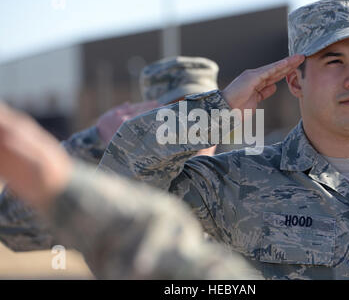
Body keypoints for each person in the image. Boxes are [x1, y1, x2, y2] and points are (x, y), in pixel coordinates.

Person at [98, 0, 349, 280]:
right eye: (335, 61)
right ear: (295, 82)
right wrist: (218, 109)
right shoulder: (239, 182)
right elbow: (116, 193)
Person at [0, 102, 256, 279]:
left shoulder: (245, 179)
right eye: (175, 118)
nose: (188, 134)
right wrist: (94, 143)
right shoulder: (111, 173)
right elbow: (12, 226)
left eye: (200, 119)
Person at [0, 56, 219, 252]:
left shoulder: (241, 174)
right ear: (148, 119)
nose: (192, 126)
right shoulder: (122, 186)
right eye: (175, 112)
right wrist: (95, 143)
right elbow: (12, 226)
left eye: (203, 112)